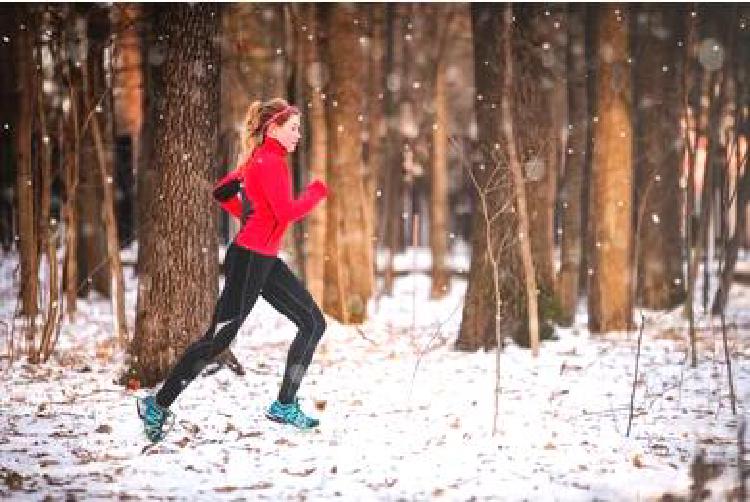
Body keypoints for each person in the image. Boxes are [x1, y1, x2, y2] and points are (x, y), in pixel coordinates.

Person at [137, 98, 329, 442]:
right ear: (274, 129)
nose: (299, 135)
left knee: (313, 322)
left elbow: (222, 191)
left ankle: (284, 405)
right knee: (217, 339)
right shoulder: (269, 162)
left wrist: (248, 215)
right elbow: (284, 213)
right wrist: (315, 194)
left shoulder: (261, 161)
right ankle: (157, 404)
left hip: (264, 258)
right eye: (294, 128)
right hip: (249, 261)